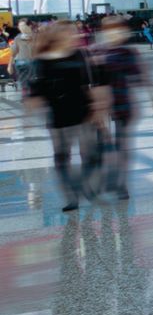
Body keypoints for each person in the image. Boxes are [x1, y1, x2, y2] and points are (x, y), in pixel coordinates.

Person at [23, 21, 105, 213]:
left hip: (83, 112)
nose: (74, 37)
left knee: (91, 155)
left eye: (74, 33)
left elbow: (91, 83)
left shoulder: (81, 54)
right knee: (62, 157)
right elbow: (35, 91)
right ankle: (71, 196)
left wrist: (98, 110)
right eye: (69, 33)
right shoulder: (41, 61)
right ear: (57, 36)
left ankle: (86, 186)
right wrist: (28, 116)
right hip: (58, 116)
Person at [89, 16, 151, 201]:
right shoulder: (95, 51)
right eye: (111, 29)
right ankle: (99, 181)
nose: (115, 33)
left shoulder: (129, 52)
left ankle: (120, 183)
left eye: (119, 29)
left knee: (122, 145)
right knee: (101, 144)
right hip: (100, 105)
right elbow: (89, 79)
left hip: (123, 102)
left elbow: (138, 78)